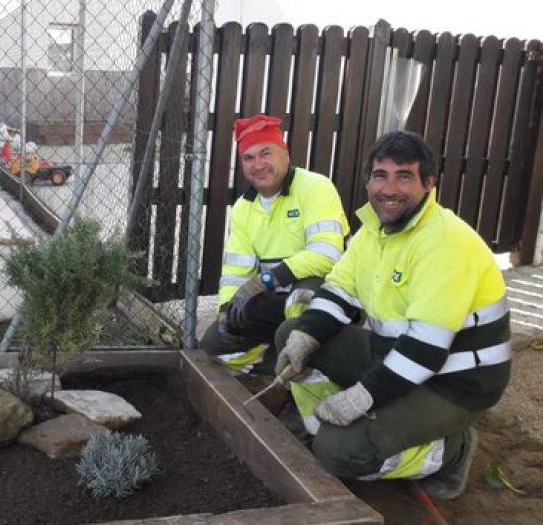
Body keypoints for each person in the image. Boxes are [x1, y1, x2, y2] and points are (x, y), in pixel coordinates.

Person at [274, 131, 510, 500]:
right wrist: (305, 336)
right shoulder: (374, 233)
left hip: (454, 383)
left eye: (404, 176)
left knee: (338, 452)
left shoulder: (445, 243)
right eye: (381, 175)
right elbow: (338, 291)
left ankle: (452, 450)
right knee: (292, 332)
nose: (390, 189)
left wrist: (360, 398)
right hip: (395, 357)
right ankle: (325, 419)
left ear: (428, 183)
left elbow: (426, 350)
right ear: (368, 181)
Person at [200, 114, 349, 373]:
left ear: (285, 153)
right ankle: (278, 366)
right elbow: (236, 272)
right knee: (214, 343)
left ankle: (299, 360)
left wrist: (265, 280)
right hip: (276, 298)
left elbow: (328, 255)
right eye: (249, 158)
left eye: (265, 153)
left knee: (298, 305)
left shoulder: (316, 188)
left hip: (323, 293)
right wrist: (226, 309)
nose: (258, 165)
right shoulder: (243, 209)